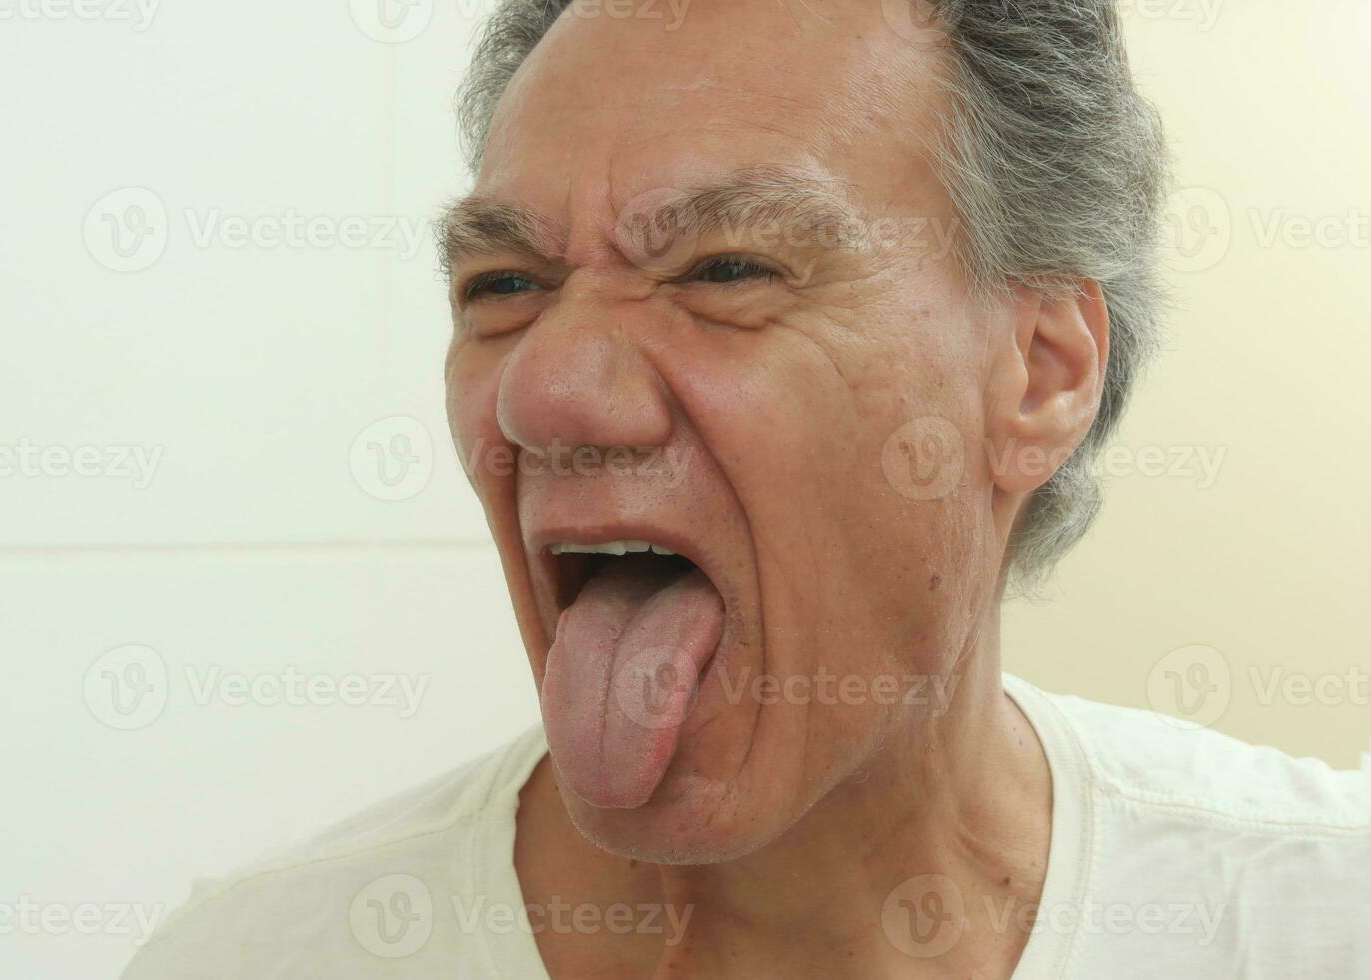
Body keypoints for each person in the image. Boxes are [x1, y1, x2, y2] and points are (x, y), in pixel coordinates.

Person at [124, 1, 1370, 976]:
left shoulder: (1317, 918)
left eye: (725, 268)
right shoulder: (256, 959)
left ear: (1042, 370)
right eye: (503, 284)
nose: (544, 392)